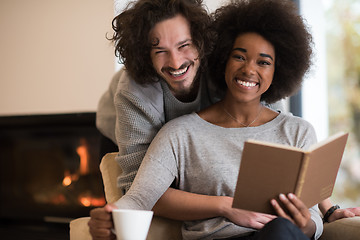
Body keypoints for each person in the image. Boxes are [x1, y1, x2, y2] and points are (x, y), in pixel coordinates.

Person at [89, 0, 360, 239]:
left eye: (264, 62)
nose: (175, 61)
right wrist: (108, 214)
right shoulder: (162, 119)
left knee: (281, 231)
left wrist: (322, 215)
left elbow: (303, 191)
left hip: (279, 235)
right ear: (223, 59)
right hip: (114, 131)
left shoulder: (295, 129)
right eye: (239, 57)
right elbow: (139, 194)